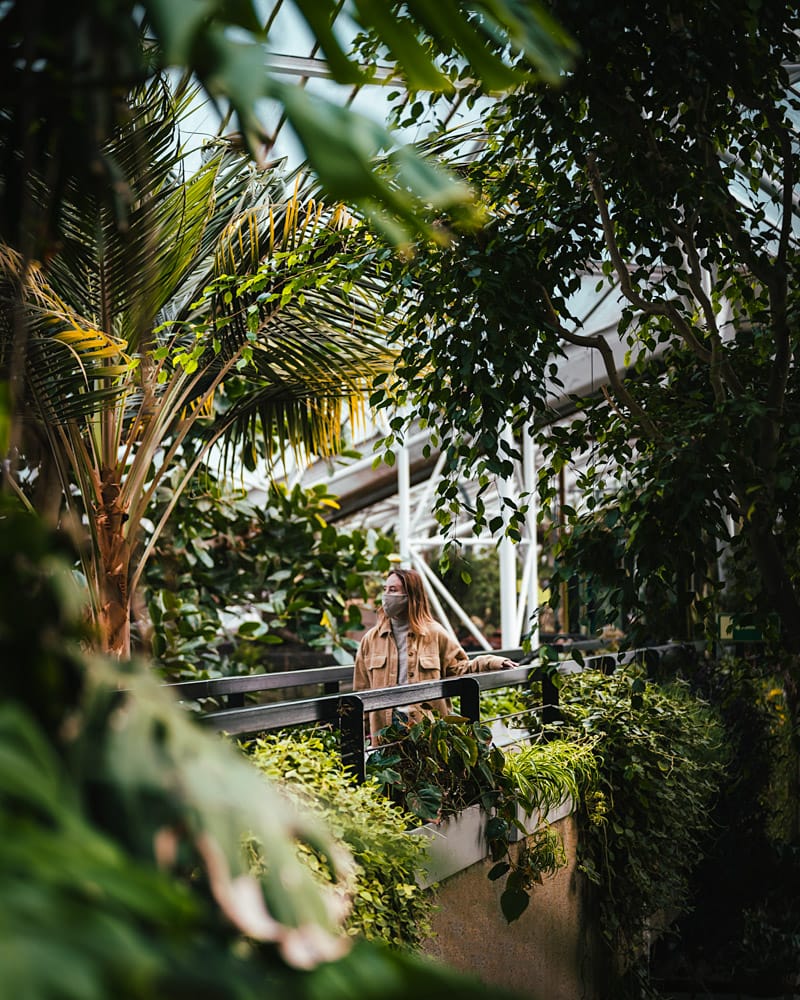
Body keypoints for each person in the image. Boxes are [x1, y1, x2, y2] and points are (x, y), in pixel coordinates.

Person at [352, 567, 517, 744]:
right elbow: (361, 691)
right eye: (385, 589)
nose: (386, 596)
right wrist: (360, 739)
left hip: (426, 730)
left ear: (411, 596)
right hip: (385, 732)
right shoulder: (371, 639)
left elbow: (459, 669)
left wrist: (491, 662)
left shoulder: (435, 634)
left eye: (393, 590)